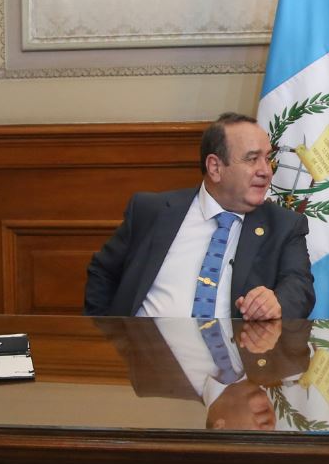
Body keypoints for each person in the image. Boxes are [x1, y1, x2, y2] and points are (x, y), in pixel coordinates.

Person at [83, 112, 314, 320]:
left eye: (267, 158)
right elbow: (103, 271)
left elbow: (300, 285)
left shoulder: (284, 226)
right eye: (252, 159)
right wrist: (104, 337)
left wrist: (277, 303)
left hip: (232, 359)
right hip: (144, 356)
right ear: (215, 167)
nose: (266, 171)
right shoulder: (152, 210)